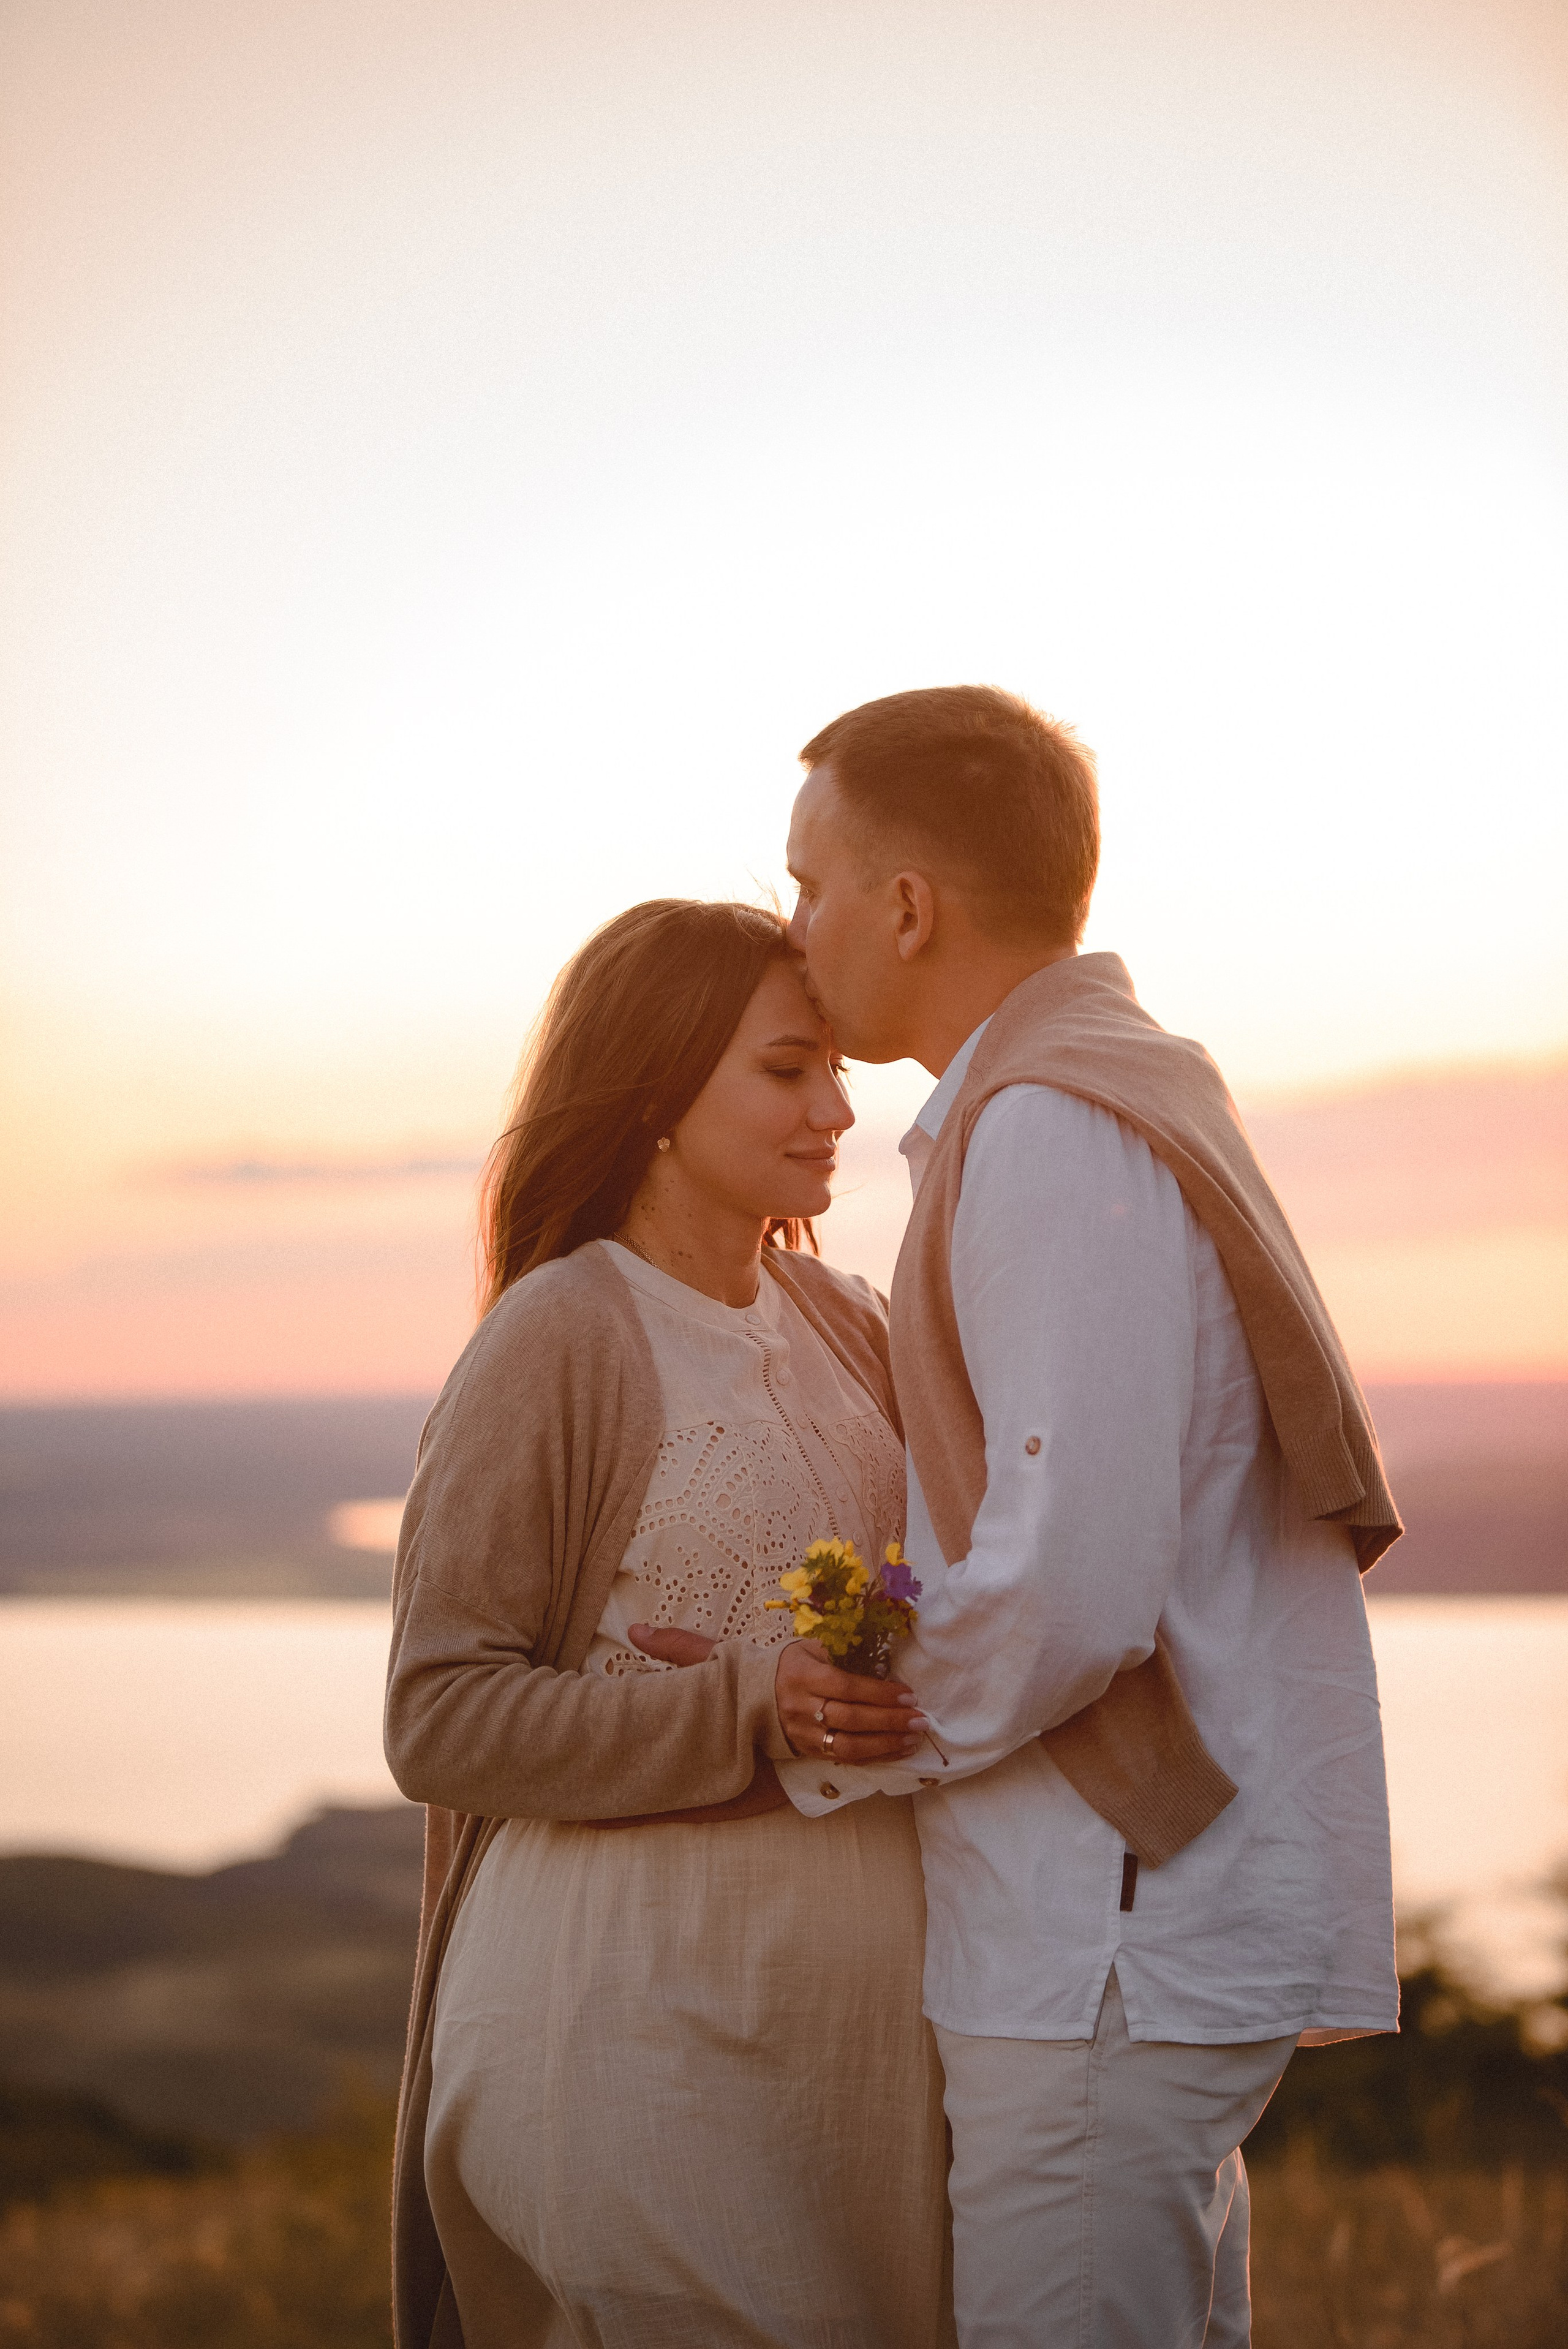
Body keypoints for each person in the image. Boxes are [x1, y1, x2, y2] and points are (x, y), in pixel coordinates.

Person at [761, 686, 1401, 2347]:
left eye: (810, 881)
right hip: (1115, 1933)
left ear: (908, 905)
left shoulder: (1045, 1127)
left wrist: (851, 1726)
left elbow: (1073, 1579)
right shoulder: (1097, 1097)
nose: (797, 923)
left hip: (1096, 1936)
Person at [382, 898, 954, 2349]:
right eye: (785, 1068)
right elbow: (440, 1716)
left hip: (860, 2073)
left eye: (834, 1066)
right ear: (653, 1088)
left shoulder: (844, 1320)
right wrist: (750, 1699)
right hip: (633, 2038)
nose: (836, 1108)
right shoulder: (557, 1334)